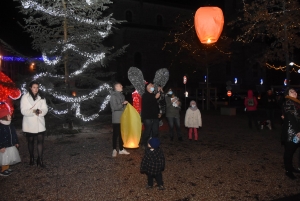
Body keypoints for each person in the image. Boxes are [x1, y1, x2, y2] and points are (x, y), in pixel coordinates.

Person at [20, 81, 48, 167]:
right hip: (29, 123)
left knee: (40, 141)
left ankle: (40, 159)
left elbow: (45, 109)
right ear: (30, 88)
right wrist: (34, 111)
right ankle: (31, 157)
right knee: (30, 141)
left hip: (39, 122)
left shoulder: (41, 98)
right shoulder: (25, 97)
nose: (36, 89)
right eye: (34, 87)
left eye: (37, 87)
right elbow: (23, 111)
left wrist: (41, 111)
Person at [281, 88, 300, 180]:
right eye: (291, 91)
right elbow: (291, 118)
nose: (294, 92)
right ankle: (288, 171)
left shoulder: (296, 103)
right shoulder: (289, 103)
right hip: (291, 132)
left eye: (295, 91)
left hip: (296, 131)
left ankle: (291, 167)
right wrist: (297, 131)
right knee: (289, 151)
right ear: (287, 94)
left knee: (292, 151)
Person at [110, 82, 130, 157]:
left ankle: (121, 149)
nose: (122, 86)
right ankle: (114, 149)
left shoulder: (122, 95)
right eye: (120, 85)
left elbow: (123, 107)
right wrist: (123, 104)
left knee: (122, 134)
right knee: (116, 134)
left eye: (121, 85)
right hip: (116, 117)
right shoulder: (113, 96)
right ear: (116, 87)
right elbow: (115, 107)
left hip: (122, 117)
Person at [141, 83, 161, 147]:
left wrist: (159, 112)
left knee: (155, 132)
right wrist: (155, 98)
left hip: (155, 116)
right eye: (150, 85)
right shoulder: (145, 95)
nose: (152, 86)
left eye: (152, 85)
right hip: (147, 117)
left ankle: (153, 144)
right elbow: (147, 105)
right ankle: (144, 143)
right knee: (148, 131)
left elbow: (155, 105)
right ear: (146, 87)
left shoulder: (153, 95)